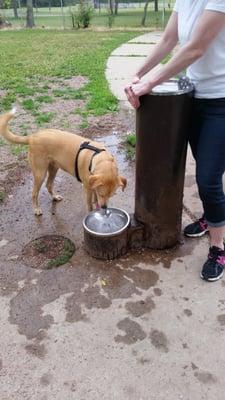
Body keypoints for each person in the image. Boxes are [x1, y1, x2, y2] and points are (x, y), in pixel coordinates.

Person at [124, 0, 225, 282]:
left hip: (221, 101)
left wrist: (151, 83)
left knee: (208, 178)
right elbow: (169, 39)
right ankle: (210, 216)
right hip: (191, 96)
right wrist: (139, 73)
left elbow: (195, 47)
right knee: (202, 167)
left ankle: (218, 246)